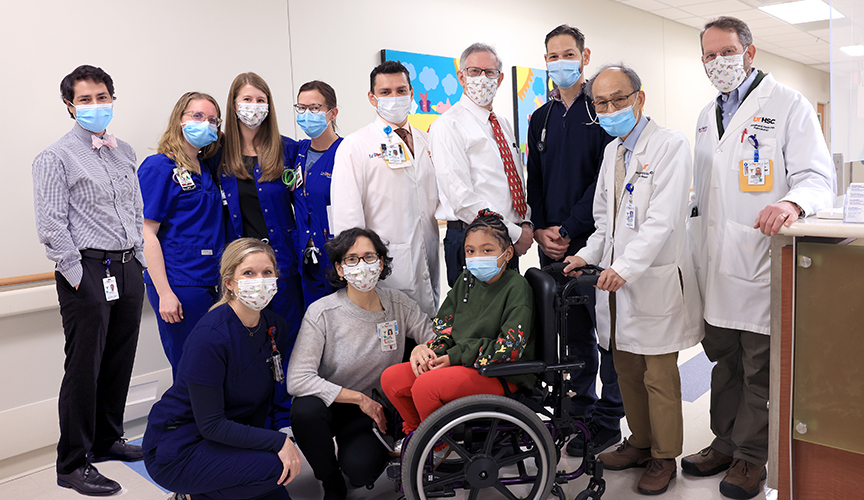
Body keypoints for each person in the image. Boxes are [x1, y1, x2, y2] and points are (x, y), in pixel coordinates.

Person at [682, 16, 836, 500]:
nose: (717, 63)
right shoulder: (708, 114)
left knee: (760, 367)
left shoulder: (788, 105)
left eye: (725, 52)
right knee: (722, 362)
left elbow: (817, 177)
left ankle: (752, 458)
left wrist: (791, 202)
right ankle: (724, 443)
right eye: (708, 55)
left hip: (761, 261)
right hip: (716, 264)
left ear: (749, 52)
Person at [563, 64, 704, 495]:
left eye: (618, 99)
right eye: (601, 103)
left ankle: (664, 457)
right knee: (626, 370)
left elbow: (662, 221)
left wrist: (623, 268)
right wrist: (585, 255)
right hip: (615, 286)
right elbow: (605, 222)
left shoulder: (670, 146)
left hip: (651, 280)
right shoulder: (613, 152)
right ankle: (639, 443)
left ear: (639, 99)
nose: (609, 109)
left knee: (658, 377)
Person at [33, 64, 146, 496]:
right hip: (86, 271)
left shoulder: (124, 152)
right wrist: (78, 275)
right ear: (69, 106)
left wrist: (135, 260)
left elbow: (134, 208)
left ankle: (106, 440)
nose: (96, 106)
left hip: (125, 266)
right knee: (84, 368)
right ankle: (72, 463)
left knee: (119, 358)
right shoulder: (55, 156)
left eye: (102, 97)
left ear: (112, 99)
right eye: (85, 100)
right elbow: (51, 224)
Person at [526, 24, 623, 458]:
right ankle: (581, 414)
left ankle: (609, 418)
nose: (559, 63)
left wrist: (568, 231)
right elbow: (536, 181)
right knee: (573, 336)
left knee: (608, 336)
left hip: (594, 243)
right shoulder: (541, 117)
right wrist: (544, 227)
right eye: (552, 56)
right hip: (551, 246)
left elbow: (603, 184)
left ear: (584, 57)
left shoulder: (599, 112)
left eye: (568, 54)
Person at [143, 238, 301, 500]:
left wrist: (277, 435)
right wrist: (277, 443)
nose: (259, 280)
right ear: (229, 283)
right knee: (274, 469)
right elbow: (211, 424)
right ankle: (189, 495)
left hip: (227, 437)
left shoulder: (274, 327)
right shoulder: (211, 336)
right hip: (180, 446)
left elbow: (263, 397)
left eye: (267, 273)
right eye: (248, 273)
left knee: (279, 484)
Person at [285, 228, 434, 500]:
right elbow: (297, 379)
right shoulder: (323, 312)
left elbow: (435, 339)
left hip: (372, 411)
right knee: (304, 411)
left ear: (381, 263)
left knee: (361, 472)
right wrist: (358, 399)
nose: (362, 265)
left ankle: (353, 457)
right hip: (330, 404)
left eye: (369, 257)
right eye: (352, 259)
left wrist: (422, 347)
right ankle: (330, 480)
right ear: (340, 269)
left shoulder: (397, 302)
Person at [381, 209, 535, 434]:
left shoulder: (517, 288)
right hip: (461, 363)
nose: (477, 257)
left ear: (508, 253)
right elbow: (445, 328)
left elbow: (509, 348)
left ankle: (438, 443)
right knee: (391, 378)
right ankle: (418, 437)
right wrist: (432, 352)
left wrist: (454, 357)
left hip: (498, 372)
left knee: (426, 386)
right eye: (470, 251)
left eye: (487, 250)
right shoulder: (466, 280)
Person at [216, 72, 304, 429]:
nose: (253, 107)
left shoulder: (288, 149)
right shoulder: (217, 155)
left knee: (288, 338)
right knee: (247, 344)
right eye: (246, 100)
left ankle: (287, 414)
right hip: (241, 268)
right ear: (233, 105)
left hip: (282, 265)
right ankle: (254, 418)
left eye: (260, 100)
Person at [330, 61, 440, 318]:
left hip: (429, 258)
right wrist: (358, 270)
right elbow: (347, 216)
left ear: (412, 94)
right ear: (372, 97)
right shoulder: (355, 145)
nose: (395, 98)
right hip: (383, 266)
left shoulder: (427, 140)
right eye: (385, 92)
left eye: (401, 91)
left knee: (428, 338)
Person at [430, 42, 533, 286]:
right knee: (477, 320)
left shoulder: (502, 124)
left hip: (507, 239)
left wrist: (525, 222)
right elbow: (460, 196)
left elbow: (512, 181)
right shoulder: (448, 125)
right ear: (461, 77)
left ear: (500, 79)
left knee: (509, 318)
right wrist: (516, 233)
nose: (482, 78)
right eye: (474, 71)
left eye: (489, 72)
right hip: (473, 239)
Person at [138, 92, 225, 377]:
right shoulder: (159, 167)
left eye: (213, 120)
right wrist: (164, 293)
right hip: (179, 283)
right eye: (197, 116)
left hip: (211, 281)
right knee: (191, 369)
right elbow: (146, 233)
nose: (206, 124)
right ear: (179, 120)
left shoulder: (206, 168)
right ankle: (186, 422)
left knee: (213, 366)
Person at [292, 80, 343, 306]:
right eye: (301, 108)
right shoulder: (298, 151)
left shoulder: (346, 152)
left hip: (336, 255)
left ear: (332, 113)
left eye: (314, 108)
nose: (306, 114)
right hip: (304, 256)